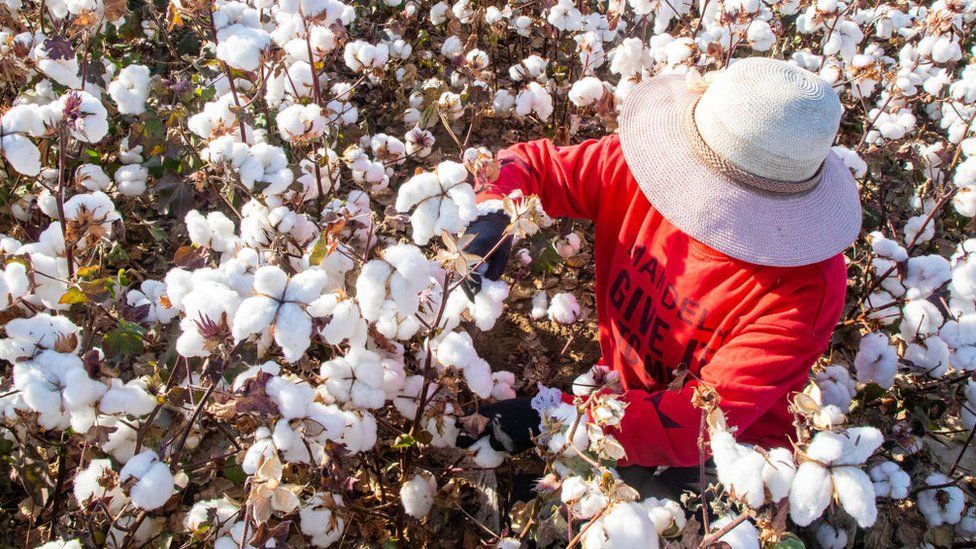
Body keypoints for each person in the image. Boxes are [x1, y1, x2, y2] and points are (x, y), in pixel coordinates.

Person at [456, 57, 862, 499]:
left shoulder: (804, 291)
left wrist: (553, 418)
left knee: (636, 507)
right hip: (624, 392)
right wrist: (492, 210)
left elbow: (699, 424)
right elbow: (536, 165)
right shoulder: (644, 168)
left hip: (729, 450)